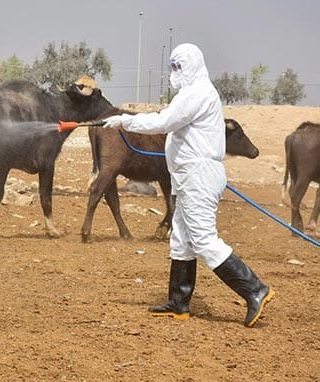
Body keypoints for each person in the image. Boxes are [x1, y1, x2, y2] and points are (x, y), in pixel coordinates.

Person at [102, 43, 274, 327]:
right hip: (187, 176)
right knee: (181, 238)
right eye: (172, 66)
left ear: (193, 65)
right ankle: (178, 302)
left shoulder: (198, 93)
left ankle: (255, 289)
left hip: (199, 176)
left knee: (204, 239)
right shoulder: (190, 94)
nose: (174, 72)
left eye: (178, 66)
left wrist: (124, 121)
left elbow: (165, 121)